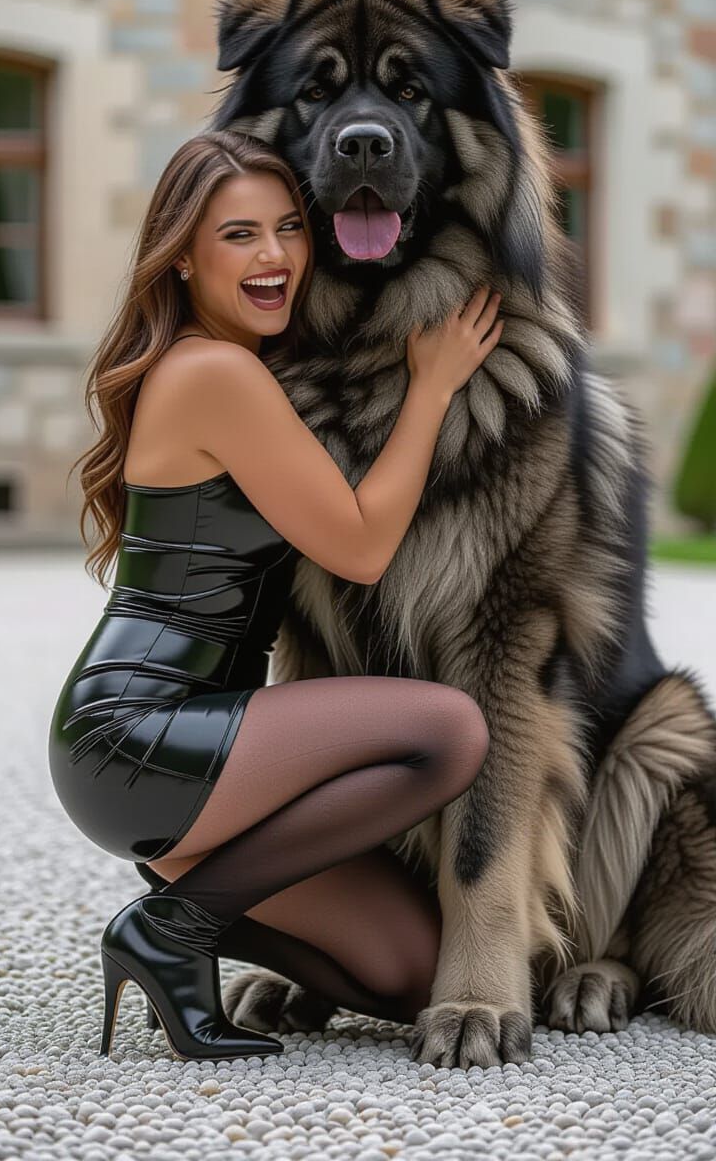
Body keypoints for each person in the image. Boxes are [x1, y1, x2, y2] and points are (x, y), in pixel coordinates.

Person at [48, 129, 505, 1063]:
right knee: (449, 730)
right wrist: (431, 386)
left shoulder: (205, 364)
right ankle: (173, 929)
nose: (275, 257)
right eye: (239, 235)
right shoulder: (216, 373)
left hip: (188, 758)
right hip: (148, 731)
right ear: (180, 257)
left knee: (408, 974)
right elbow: (365, 546)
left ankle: (189, 913)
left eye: (290, 228)